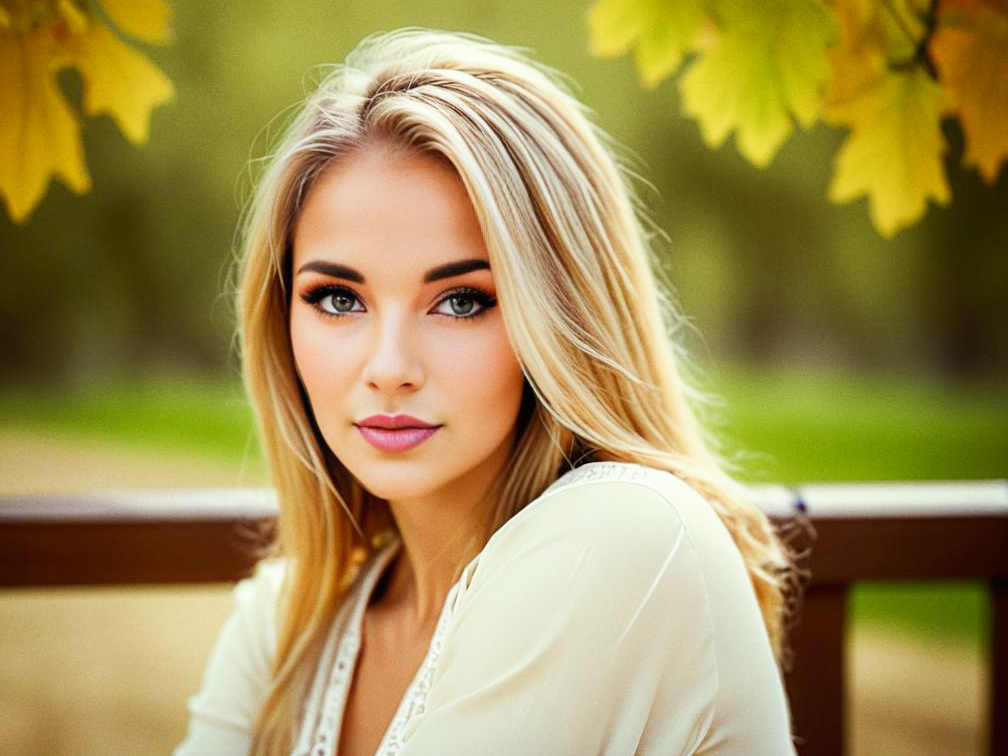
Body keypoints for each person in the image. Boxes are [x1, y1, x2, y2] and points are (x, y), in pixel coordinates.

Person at [174, 28, 797, 756]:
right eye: (339, 298)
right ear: (279, 317)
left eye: (462, 300)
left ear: (561, 318)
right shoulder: (284, 630)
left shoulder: (627, 538)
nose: (389, 367)